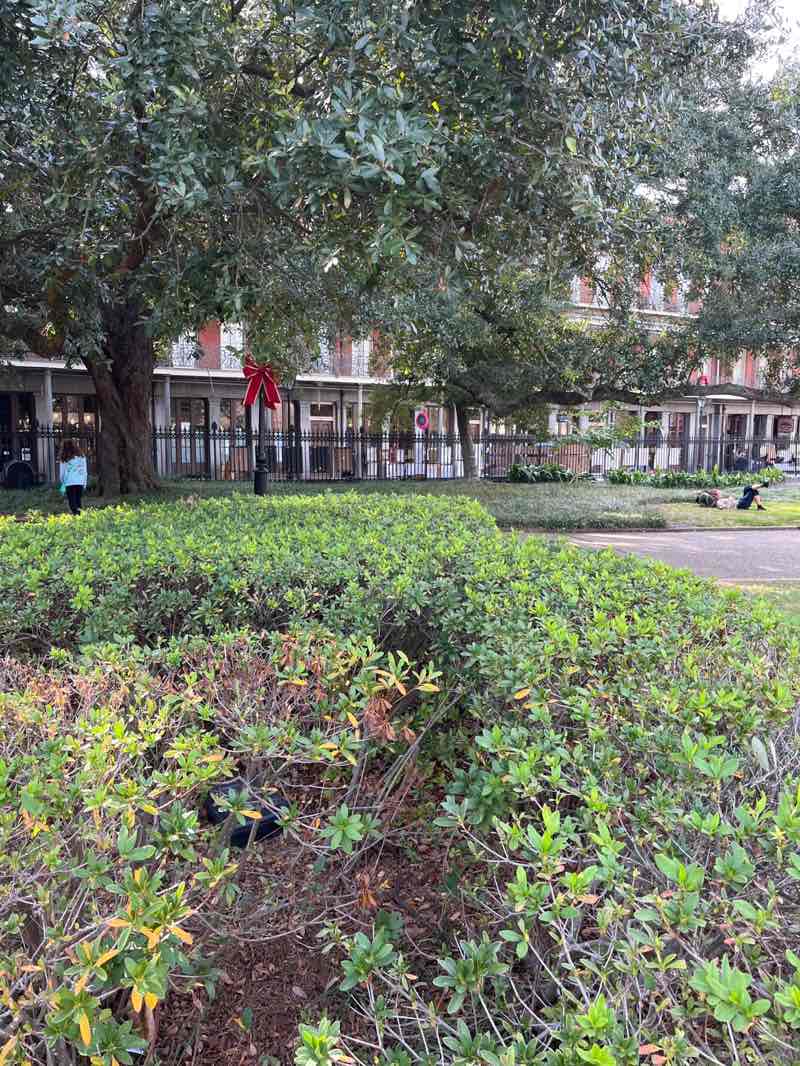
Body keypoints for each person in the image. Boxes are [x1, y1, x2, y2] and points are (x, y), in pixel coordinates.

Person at [58, 440, 88, 515]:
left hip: (69, 483)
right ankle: (79, 516)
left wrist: (62, 483)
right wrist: (84, 483)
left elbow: (62, 473)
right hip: (80, 482)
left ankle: (76, 515)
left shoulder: (64, 458)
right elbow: (85, 471)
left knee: (72, 502)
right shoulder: (82, 457)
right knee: (78, 501)